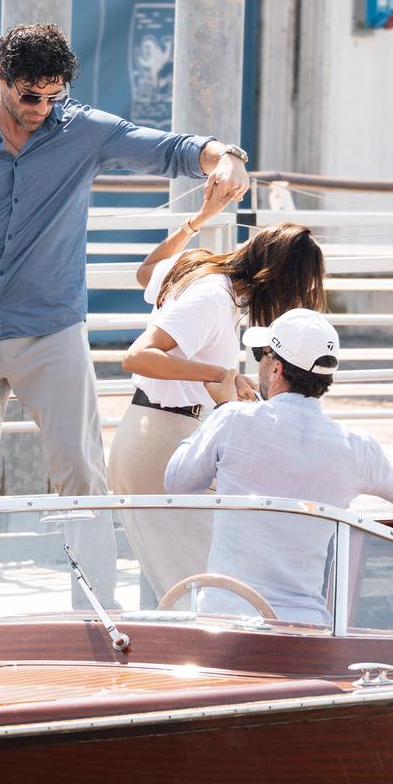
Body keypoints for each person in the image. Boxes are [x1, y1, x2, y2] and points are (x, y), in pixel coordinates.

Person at [0, 22, 252, 613]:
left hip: (53, 334)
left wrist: (226, 157)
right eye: (30, 95)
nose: (42, 108)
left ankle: (95, 615)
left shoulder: (83, 129)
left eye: (54, 95)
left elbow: (172, 148)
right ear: (0, 77)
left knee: (81, 476)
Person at [164, 308, 393, 624]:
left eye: (260, 354)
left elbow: (178, 482)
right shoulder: (353, 446)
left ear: (276, 368)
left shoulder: (233, 420)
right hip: (305, 624)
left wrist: (222, 408)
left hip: (227, 616)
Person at [109, 212, 326, 595]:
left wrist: (200, 218)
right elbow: (137, 356)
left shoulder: (202, 269)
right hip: (162, 439)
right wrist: (217, 375)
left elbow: (145, 274)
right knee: (204, 588)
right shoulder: (212, 296)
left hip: (157, 434)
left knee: (185, 584)